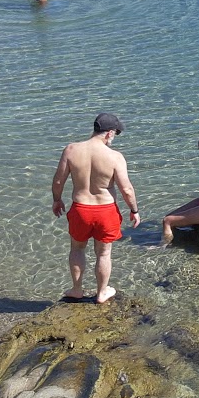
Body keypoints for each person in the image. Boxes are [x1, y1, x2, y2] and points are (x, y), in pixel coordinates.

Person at [52, 113, 140, 304]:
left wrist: (57, 200)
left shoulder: (71, 150)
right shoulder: (115, 157)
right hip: (105, 210)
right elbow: (126, 189)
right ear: (109, 133)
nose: (114, 137)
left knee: (76, 249)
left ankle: (76, 289)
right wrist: (134, 210)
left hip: (81, 208)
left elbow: (59, 180)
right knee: (104, 253)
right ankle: (101, 293)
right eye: (115, 133)